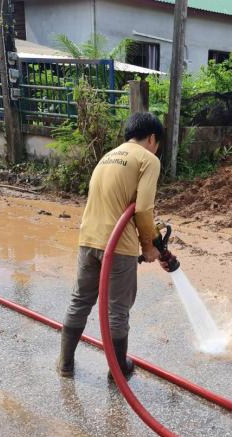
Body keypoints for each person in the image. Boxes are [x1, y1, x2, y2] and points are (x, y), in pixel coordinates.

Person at [57, 112, 165, 380]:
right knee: (117, 311)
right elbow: (143, 209)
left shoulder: (107, 156)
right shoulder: (148, 159)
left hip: (88, 239)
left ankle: (65, 364)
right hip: (118, 245)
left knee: (80, 300)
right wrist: (149, 246)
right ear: (152, 138)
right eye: (157, 144)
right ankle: (118, 372)